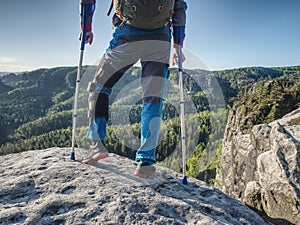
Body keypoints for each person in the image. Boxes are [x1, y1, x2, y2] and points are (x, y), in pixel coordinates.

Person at [79, 0, 187, 178]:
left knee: (99, 86)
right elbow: (179, 6)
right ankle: (145, 162)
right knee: (152, 98)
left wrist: (86, 27)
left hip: (127, 33)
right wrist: (178, 45)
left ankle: (96, 145)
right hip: (160, 37)